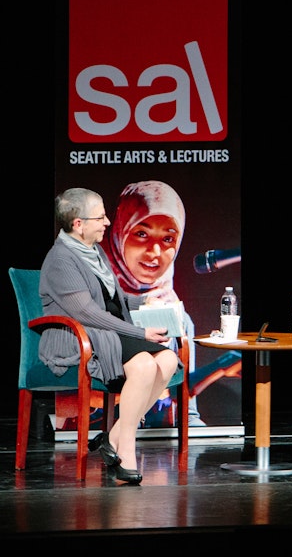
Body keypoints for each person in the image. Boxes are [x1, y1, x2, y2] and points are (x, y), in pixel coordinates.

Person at [39, 187, 182, 485]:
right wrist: (140, 331)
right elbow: (87, 313)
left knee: (168, 359)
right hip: (77, 336)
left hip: (107, 329)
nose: (107, 222)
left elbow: (111, 301)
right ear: (78, 224)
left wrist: (146, 303)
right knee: (143, 364)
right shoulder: (60, 259)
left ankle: (113, 436)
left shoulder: (95, 251)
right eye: (100, 217)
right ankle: (125, 448)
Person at [100, 179, 205, 427]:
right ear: (120, 230)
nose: (155, 252)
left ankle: (186, 414)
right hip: (100, 369)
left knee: (182, 322)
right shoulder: (97, 269)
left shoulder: (165, 293)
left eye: (168, 239)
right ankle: (126, 420)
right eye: (141, 234)